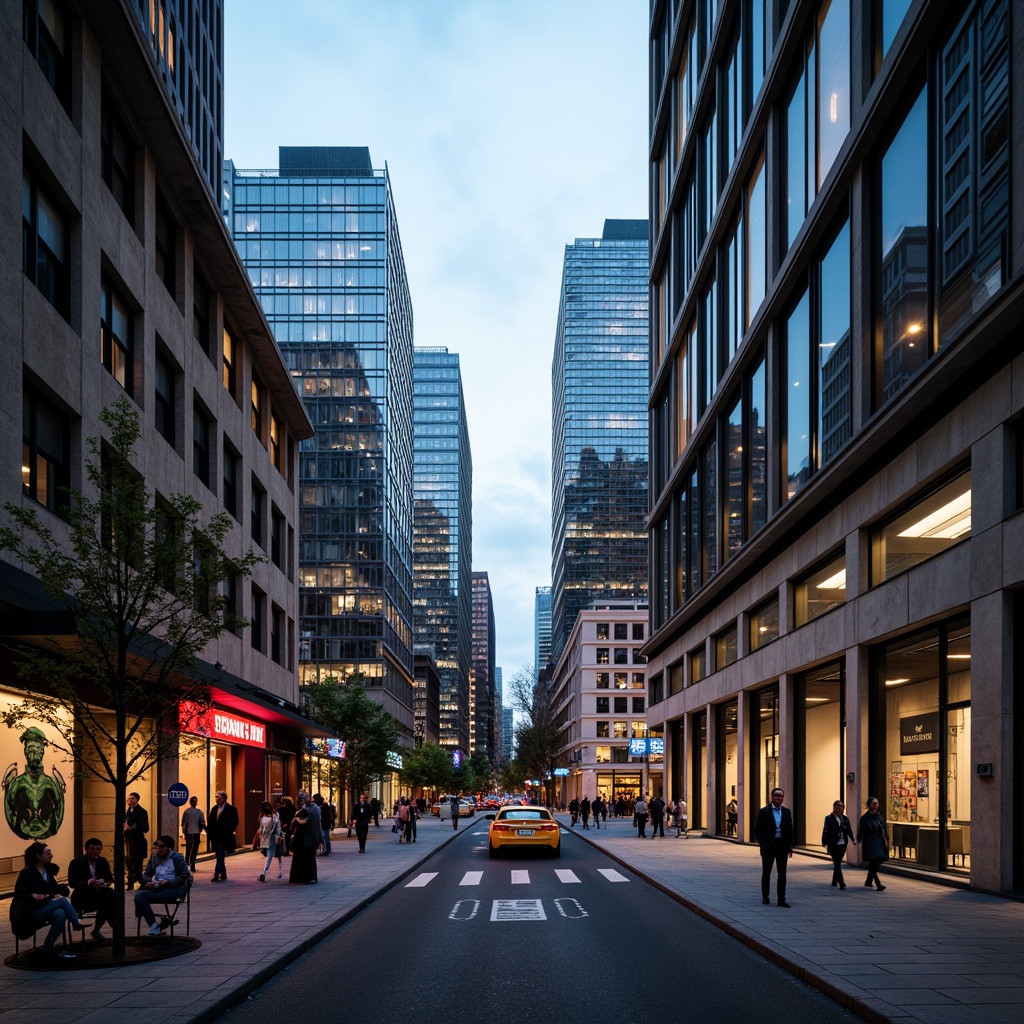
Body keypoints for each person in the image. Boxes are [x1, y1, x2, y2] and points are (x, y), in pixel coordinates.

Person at [10, 841, 83, 959]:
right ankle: (77, 922)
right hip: (31, 911)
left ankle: (47, 948)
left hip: (45, 907)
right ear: (38, 856)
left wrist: (57, 894)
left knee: (60, 913)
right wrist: (33, 896)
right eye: (47, 853)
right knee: (63, 901)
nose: (51, 855)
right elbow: (19, 892)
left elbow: (55, 889)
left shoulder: (47, 871)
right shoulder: (27, 872)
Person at [134, 835, 190, 936]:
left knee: (140, 897)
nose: (158, 849)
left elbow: (184, 876)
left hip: (172, 889)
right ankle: (154, 924)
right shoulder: (155, 858)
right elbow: (146, 875)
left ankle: (158, 926)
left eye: (161, 847)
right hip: (157, 887)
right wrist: (151, 882)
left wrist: (168, 882)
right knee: (138, 896)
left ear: (169, 848)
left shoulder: (177, 858)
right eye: (156, 846)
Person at [68, 837, 115, 940]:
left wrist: (103, 882)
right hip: (84, 896)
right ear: (86, 849)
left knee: (110, 895)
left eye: (98, 849)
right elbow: (72, 883)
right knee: (108, 901)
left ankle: (97, 929)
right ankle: (112, 923)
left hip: (100, 894)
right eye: (92, 849)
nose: (96, 852)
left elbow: (109, 879)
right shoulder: (76, 862)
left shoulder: (102, 861)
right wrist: (88, 882)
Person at [754, 787, 795, 907]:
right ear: (772, 797)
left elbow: (790, 830)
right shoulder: (764, 811)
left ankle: (781, 899)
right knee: (766, 872)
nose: (779, 798)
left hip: (782, 846)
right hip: (769, 847)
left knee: (782, 873)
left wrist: (790, 846)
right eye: (777, 795)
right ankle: (765, 896)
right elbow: (757, 830)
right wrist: (764, 844)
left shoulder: (787, 812)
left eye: (781, 796)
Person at [857, 796, 890, 891]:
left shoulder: (880, 817)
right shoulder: (864, 818)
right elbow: (861, 831)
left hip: (878, 841)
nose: (876, 805)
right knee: (873, 861)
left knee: (874, 862)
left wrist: (886, 839)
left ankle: (868, 881)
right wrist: (859, 840)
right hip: (869, 841)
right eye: (874, 803)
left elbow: (884, 829)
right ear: (869, 805)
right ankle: (878, 883)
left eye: (877, 803)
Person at [821, 800, 856, 889]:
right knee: (837, 862)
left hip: (842, 843)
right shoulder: (829, 818)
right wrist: (824, 842)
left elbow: (848, 830)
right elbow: (826, 830)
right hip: (833, 843)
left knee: (838, 862)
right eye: (837, 809)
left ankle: (834, 880)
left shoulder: (845, 818)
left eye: (841, 809)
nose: (839, 811)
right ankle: (841, 881)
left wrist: (853, 839)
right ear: (834, 809)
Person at [289, 791, 321, 884]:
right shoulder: (304, 808)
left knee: (310, 857)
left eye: (304, 798)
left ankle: (311, 877)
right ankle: (301, 877)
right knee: (302, 857)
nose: (302, 801)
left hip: (310, 836)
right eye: (301, 799)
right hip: (302, 837)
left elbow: (311, 822)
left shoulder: (314, 809)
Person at [207, 790, 239, 882]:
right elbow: (211, 821)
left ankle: (217, 874)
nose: (217, 799)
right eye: (216, 797)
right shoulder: (214, 809)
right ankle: (222, 873)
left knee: (220, 856)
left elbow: (235, 822)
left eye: (218, 798)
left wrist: (229, 831)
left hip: (225, 836)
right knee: (219, 856)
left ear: (224, 799)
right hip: (216, 837)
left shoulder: (231, 809)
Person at [123, 791, 149, 889]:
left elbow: (145, 827)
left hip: (138, 840)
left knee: (137, 861)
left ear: (137, 800)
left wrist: (133, 827)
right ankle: (131, 881)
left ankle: (139, 880)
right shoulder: (127, 812)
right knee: (130, 861)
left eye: (132, 798)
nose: (130, 800)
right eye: (129, 799)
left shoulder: (142, 812)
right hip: (129, 839)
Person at [254, 801, 283, 881]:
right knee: (273, 854)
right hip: (267, 837)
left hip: (274, 836)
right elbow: (261, 828)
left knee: (276, 854)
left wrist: (278, 834)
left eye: (268, 805)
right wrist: (259, 837)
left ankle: (265, 872)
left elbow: (278, 826)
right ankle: (275, 872)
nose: (267, 807)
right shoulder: (263, 816)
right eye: (265, 806)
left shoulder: (275, 815)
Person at [181, 795, 206, 871]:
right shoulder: (199, 812)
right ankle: (192, 863)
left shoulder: (187, 812)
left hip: (189, 832)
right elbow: (202, 822)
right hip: (196, 832)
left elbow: (183, 823)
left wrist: (184, 831)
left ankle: (187, 861)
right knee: (194, 849)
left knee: (189, 847)